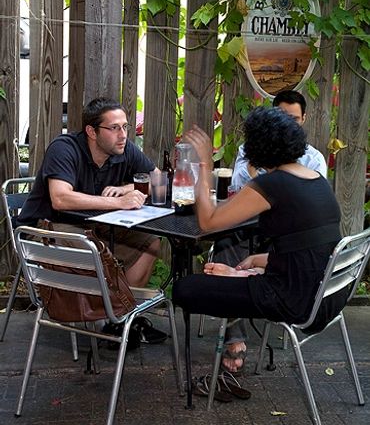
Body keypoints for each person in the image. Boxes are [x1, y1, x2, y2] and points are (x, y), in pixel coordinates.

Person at [173, 107, 344, 382]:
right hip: (326, 296)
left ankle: (195, 381)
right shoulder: (316, 180)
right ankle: (239, 277)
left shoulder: (272, 184)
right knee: (236, 265)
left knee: (184, 288)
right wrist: (257, 262)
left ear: (258, 145)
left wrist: (204, 164)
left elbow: (207, 222)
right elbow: (307, 249)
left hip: (293, 300)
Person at [17, 96, 166, 344]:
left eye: (125, 127)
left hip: (91, 227)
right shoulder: (64, 148)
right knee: (98, 252)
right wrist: (118, 202)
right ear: (92, 132)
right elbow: (60, 199)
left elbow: (158, 178)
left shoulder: (123, 148)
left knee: (150, 242)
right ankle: (116, 318)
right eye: (114, 128)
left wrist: (129, 187)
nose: (123, 134)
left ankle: (119, 318)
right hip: (45, 229)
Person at [214, 90, 328, 372]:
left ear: (304, 120)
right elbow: (241, 185)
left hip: (285, 240)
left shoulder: (313, 160)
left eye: (294, 119)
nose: (287, 124)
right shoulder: (251, 149)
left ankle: (239, 284)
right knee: (225, 245)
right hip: (250, 226)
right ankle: (234, 336)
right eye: (280, 118)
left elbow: (298, 205)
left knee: (227, 255)